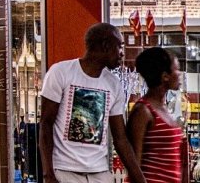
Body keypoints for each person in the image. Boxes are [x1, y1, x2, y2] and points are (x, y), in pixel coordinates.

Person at [39, 23, 146, 183]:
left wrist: (140, 179)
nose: (122, 53)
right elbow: (46, 124)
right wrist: (48, 175)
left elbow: (120, 139)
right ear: (105, 45)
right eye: (119, 46)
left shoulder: (113, 84)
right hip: (65, 172)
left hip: (99, 173)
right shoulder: (61, 72)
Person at [127, 47, 188, 183]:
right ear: (165, 76)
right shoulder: (143, 111)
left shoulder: (164, 109)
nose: (180, 74)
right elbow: (134, 165)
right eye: (177, 69)